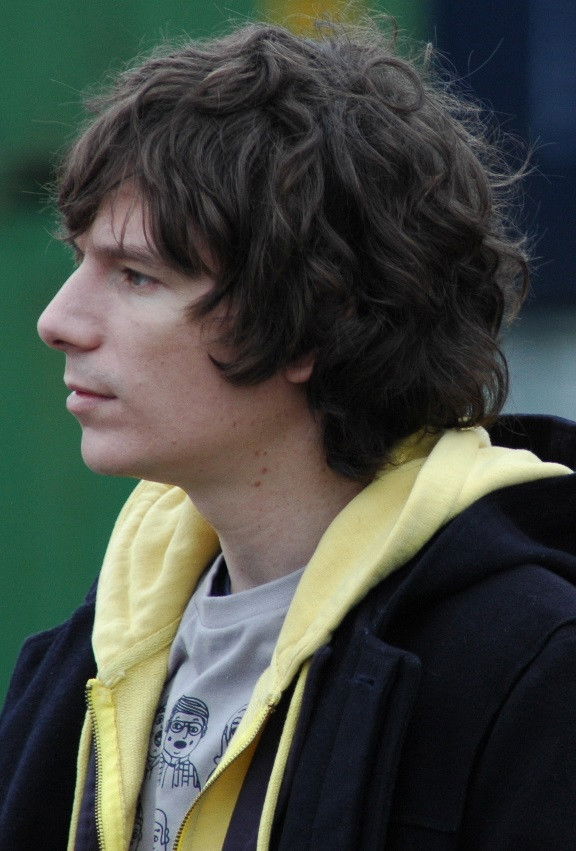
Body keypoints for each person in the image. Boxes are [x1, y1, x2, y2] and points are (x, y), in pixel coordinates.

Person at [1, 18, 575, 851]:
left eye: (136, 275)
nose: (58, 320)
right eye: (78, 258)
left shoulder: (531, 670)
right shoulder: (84, 660)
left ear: (315, 319)